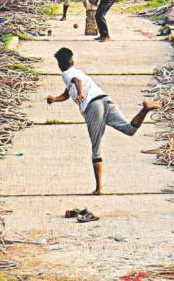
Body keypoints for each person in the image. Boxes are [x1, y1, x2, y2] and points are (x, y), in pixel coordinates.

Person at [46, 48, 160, 196]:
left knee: (96, 148)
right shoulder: (76, 71)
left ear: (59, 65)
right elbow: (67, 93)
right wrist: (55, 99)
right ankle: (145, 110)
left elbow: (77, 82)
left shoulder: (67, 74)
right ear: (72, 61)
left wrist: (80, 94)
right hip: (105, 99)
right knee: (129, 130)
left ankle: (99, 188)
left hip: (93, 107)